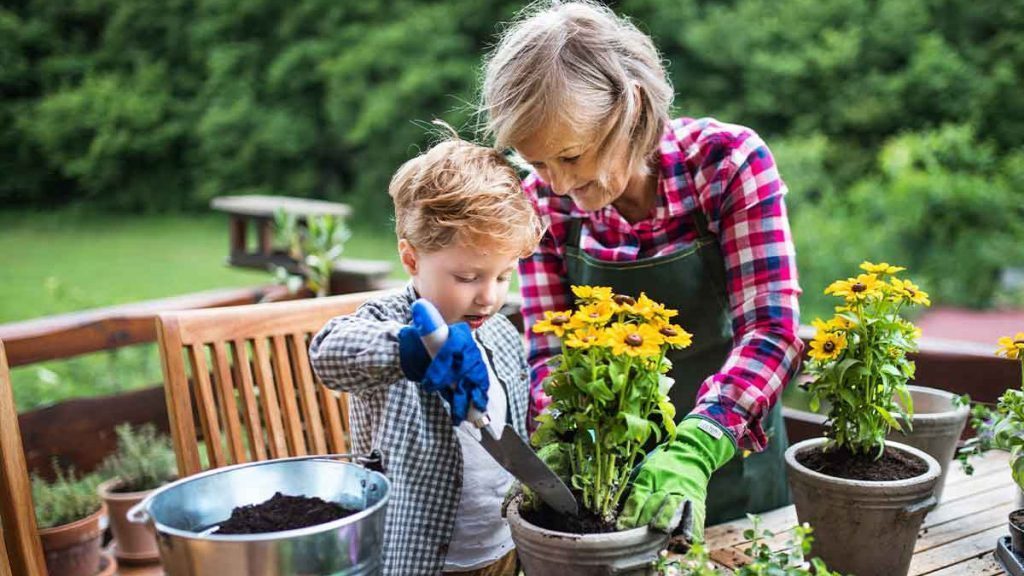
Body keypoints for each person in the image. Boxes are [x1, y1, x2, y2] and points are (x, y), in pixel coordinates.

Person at [480, 1, 803, 540]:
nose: (557, 184)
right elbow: (550, 348)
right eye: (537, 163)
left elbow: (774, 330)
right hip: (611, 478)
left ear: (630, 111)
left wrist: (698, 447)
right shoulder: (541, 203)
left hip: (732, 466)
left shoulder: (727, 165)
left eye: (572, 156)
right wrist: (561, 437)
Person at [309, 126, 544, 576]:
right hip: (418, 555)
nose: (488, 297)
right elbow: (329, 352)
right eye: (468, 277)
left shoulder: (499, 333)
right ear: (411, 258)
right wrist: (413, 349)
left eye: (503, 276)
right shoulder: (388, 320)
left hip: (503, 548)